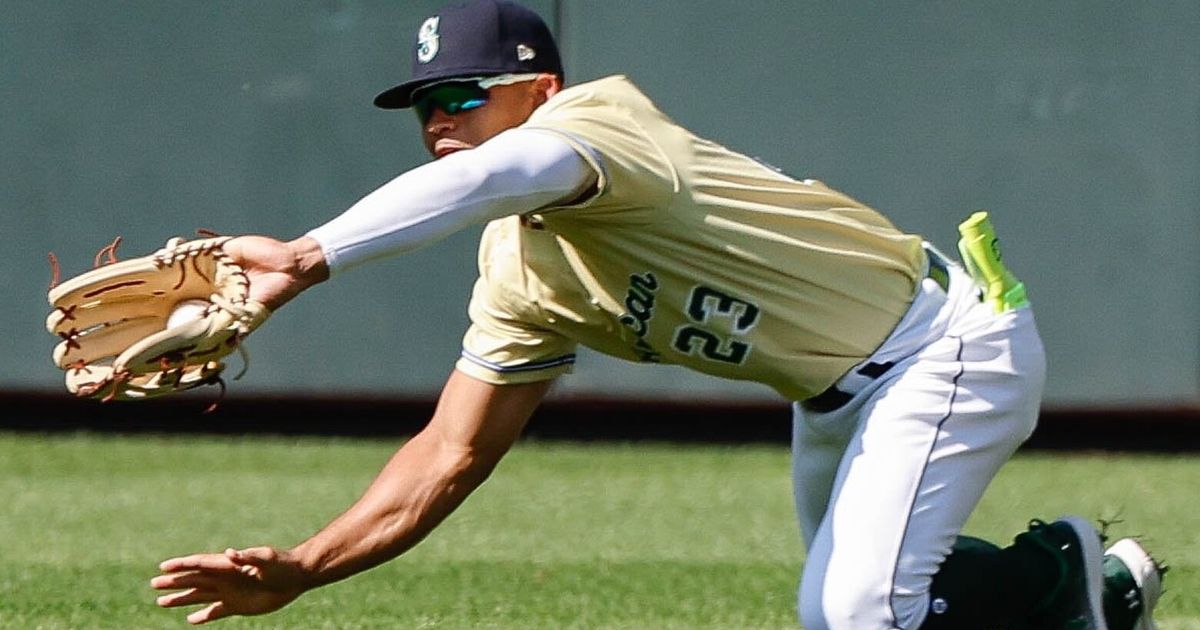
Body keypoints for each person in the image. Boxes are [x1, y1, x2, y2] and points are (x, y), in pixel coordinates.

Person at [149, 1, 1164, 628]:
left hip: (944, 349)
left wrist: (306, 255)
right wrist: (306, 565)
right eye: (423, 105)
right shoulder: (519, 273)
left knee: (855, 615)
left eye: (463, 91)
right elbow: (448, 456)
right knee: (863, 613)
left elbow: (512, 166)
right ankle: (1071, 592)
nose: (440, 120)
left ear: (539, 89)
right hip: (834, 394)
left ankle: (1051, 574)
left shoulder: (594, 126)